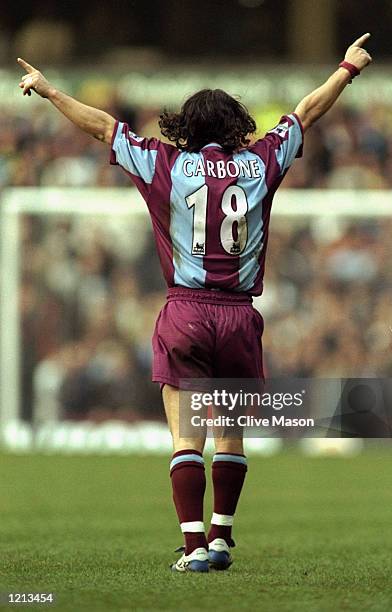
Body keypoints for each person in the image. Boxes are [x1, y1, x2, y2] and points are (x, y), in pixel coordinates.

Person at [17, 33, 372, 573]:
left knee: (186, 435)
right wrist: (347, 67)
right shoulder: (261, 162)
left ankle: (193, 548)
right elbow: (306, 112)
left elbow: (101, 127)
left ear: (187, 126)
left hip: (185, 310)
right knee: (230, 432)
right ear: (235, 127)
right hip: (237, 315)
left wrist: (47, 91)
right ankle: (222, 537)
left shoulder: (163, 164)